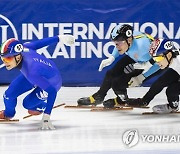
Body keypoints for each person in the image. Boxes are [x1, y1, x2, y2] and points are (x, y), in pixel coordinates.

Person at [0, 35, 75, 129]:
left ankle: (42, 106)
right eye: (3, 59)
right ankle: (8, 114)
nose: (5, 62)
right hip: (38, 73)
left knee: (28, 105)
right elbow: (40, 43)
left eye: (8, 59)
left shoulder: (32, 72)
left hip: (53, 81)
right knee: (8, 95)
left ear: (18, 57)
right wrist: (59, 38)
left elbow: (52, 91)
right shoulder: (25, 47)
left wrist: (47, 115)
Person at [77, 24, 161, 108]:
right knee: (111, 74)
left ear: (129, 40)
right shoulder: (128, 41)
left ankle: (121, 100)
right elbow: (119, 45)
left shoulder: (143, 48)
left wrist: (142, 77)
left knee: (118, 84)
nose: (117, 46)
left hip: (153, 64)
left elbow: (159, 63)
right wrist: (111, 58)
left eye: (119, 42)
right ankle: (99, 97)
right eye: (115, 42)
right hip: (138, 59)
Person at [125, 39, 180, 113]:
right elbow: (147, 65)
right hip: (177, 70)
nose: (157, 62)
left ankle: (173, 106)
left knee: (172, 90)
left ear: (169, 55)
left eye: (158, 58)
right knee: (161, 81)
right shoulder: (171, 57)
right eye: (154, 59)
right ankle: (145, 101)